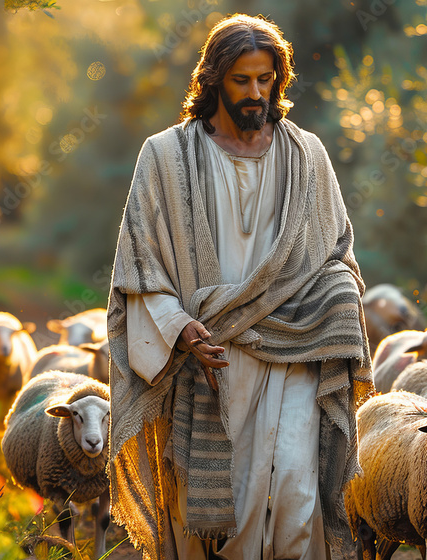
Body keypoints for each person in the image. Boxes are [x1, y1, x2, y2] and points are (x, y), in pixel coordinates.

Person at [106, 14, 372, 560]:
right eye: (241, 80)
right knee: (219, 517)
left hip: (296, 349)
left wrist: (340, 298)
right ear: (213, 80)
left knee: (297, 496)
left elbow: (336, 254)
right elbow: (139, 268)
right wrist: (179, 330)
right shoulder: (164, 158)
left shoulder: (307, 158)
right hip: (211, 358)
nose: (256, 93)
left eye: (266, 79)